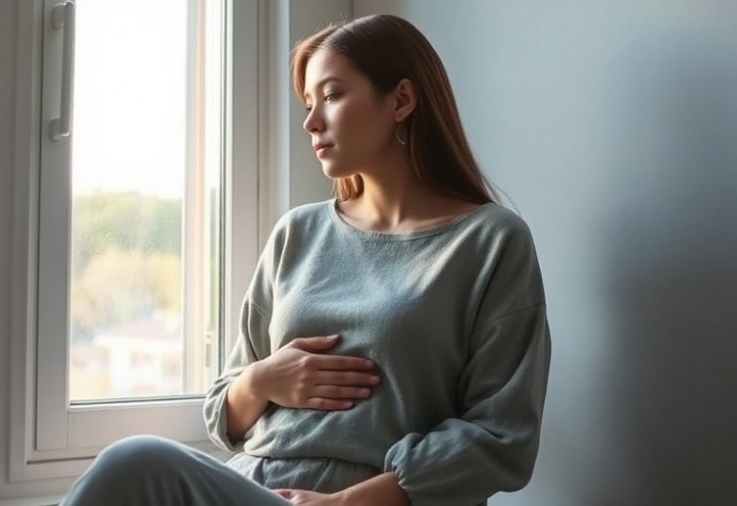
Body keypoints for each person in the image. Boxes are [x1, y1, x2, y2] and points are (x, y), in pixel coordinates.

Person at [62, 13, 550, 506]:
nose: (311, 121)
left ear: (401, 99)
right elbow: (223, 414)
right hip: (253, 483)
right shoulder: (298, 232)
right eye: (308, 103)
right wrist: (262, 379)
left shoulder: (490, 242)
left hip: (362, 502)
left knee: (136, 461)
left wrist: (344, 503)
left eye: (332, 95)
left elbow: (501, 436)